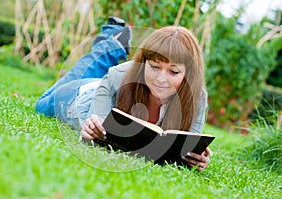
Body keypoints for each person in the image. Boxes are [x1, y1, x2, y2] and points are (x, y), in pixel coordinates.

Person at [36, 17, 211, 171]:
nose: (161, 79)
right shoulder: (118, 76)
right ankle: (112, 43)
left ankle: (111, 40)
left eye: (173, 72)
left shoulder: (196, 96)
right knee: (41, 105)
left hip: (110, 86)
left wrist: (196, 158)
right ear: (144, 62)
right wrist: (91, 131)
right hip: (80, 97)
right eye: (154, 67)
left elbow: (188, 145)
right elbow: (98, 137)